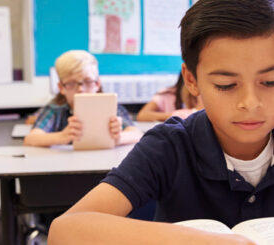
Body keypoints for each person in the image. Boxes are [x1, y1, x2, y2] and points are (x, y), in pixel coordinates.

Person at [47, 0, 274, 244]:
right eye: (225, 85)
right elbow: (64, 230)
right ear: (191, 80)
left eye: (270, 82)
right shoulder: (169, 146)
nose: (250, 103)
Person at [24, 50, 142, 147]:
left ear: (97, 84)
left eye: (88, 81)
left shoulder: (111, 107)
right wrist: (61, 137)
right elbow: (31, 139)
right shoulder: (55, 110)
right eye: (71, 83)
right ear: (61, 88)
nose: (80, 89)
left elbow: (137, 134)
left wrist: (118, 137)